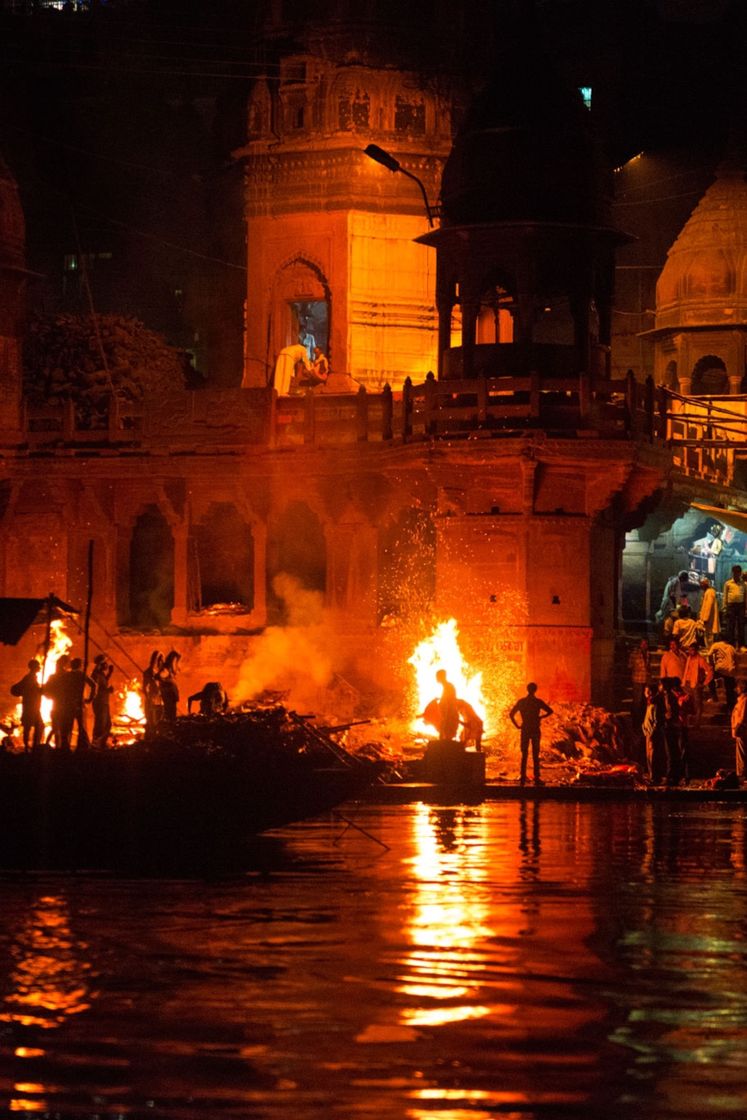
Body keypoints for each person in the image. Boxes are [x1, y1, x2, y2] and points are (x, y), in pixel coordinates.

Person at [509, 682, 553, 786]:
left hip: (525, 729)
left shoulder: (522, 702)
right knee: (535, 753)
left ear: (527, 689)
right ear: (535, 690)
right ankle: (537, 777)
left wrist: (517, 725)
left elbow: (511, 714)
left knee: (524, 753)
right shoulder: (537, 702)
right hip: (535, 729)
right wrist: (541, 717)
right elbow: (550, 711)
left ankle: (523, 775)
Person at [10, 659, 45, 751]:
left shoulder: (32, 677)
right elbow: (28, 690)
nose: (39, 667)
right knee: (30, 726)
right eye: (38, 666)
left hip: (33, 707)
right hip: (30, 706)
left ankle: (33, 745)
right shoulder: (29, 678)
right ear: (34, 667)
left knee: (34, 726)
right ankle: (30, 746)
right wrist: (38, 690)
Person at [681, 643, 713, 728]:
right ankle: (686, 723)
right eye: (689, 650)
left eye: (692, 650)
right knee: (686, 704)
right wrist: (683, 683)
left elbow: (710, 671)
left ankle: (696, 724)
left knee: (697, 705)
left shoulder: (700, 660)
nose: (690, 651)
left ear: (696, 650)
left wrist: (704, 684)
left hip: (695, 685)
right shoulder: (688, 658)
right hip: (686, 684)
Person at [43, 654, 71, 749]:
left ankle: (58, 748)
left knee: (57, 728)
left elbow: (45, 691)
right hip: (64, 705)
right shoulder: (67, 676)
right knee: (63, 729)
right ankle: (61, 748)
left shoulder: (54, 677)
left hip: (58, 705)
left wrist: (51, 696)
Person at [67, 658, 95, 750]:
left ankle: (66, 747)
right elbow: (93, 685)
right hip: (79, 703)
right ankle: (83, 747)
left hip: (69, 703)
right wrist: (90, 698)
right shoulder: (81, 675)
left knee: (69, 727)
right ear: (79, 665)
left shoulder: (68, 675)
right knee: (81, 726)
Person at [91, 653, 114, 748]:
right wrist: (107, 690)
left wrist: (110, 673)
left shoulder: (101, 674)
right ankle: (96, 744)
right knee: (101, 724)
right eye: (105, 663)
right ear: (101, 664)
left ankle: (102, 743)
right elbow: (96, 687)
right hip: (100, 703)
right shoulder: (96, 674)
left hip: (104, 702)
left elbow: (103, 683)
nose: (107, 665)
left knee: (107, 724)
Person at [641, 683, 664, 783]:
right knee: (648, 756)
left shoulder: (655, 704)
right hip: (648, 732)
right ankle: (652, 776)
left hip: (652, 733)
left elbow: (656, 720)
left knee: (653, 756)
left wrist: (653, 732)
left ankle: (655, 777)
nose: (646, 693)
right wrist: (644, 728)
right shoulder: (649, 703)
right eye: (645, 691)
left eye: (648, 691)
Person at [709, 637, 737, 711]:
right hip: (729, 670)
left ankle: (714, 696)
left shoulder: (716, 645)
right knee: (729, 688)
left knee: (709, 678)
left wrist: (712, 664)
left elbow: (709, 654)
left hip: (720, 669)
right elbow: (735, 659)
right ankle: (730, 705)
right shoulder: (732, 648)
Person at [722, 565, 746, 650]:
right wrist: (724, 607)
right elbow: (725, 596)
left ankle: (741, 645)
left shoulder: (744, 584)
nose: (737, 575)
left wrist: (746, 609)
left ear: (740, 573)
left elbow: (746, 597)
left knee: (741, 626)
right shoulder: (728, 583)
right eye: (735, 573)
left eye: (738, 573)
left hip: (741, 606)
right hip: (731, 606)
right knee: (730, 626)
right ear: (733, 573)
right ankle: (731, 645)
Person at [627, 638, 650, 724]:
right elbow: (630, 666)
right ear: (640, 645)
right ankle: (635, 719)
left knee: (644, 700)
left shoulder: (648, 654)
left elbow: (648, 667)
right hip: (637, 679)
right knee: (637, 700)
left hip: (645, 680)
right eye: (643, 644)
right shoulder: (634, 654)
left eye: (646, 644)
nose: (644, 646)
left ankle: (641, 718)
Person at [143, 650, 164, 733]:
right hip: (153, 701)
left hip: (159, 700)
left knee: (158, 722)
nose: (163, 662)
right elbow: (145, 687)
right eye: (161, 660)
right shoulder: (149, 672)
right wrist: (149, 699)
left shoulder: (158, 673)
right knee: (152, 723)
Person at [435, 669, 459, 740]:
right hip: (447, 715)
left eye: (437, 676)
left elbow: (449, 702)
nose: (436, 678)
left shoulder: (448, 687)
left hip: (449, 715)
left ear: (442, 677)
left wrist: (446, 717)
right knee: (444, 735)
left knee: (446, 736)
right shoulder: (447, 687)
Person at [731, 678, 747, 783]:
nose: (736, 689)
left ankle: (742, 774)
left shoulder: (745, 700)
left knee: (742, 753)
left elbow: (742, 717)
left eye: (738, 687)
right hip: (740, 730)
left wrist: (737, 728)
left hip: (742, 730)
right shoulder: (741, 700)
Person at [158, 650, 181, 723]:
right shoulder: (166, 669)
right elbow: (159, 676)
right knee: (169, 711)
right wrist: (166, 682)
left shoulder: (170, 669)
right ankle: (169, 726)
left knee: (172, 712)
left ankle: (171, 724)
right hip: (168, 694)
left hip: (172, 694)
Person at [698, 577, 720, 650]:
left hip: (709, 619)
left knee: (709, 635)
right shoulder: (708, 592)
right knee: (708, 635)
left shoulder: (710, 592)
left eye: (701, 584)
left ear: (704, 584)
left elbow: (709, 606)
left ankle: (710, 650)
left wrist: (705, 618)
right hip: (708, 618)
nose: (700, 586)